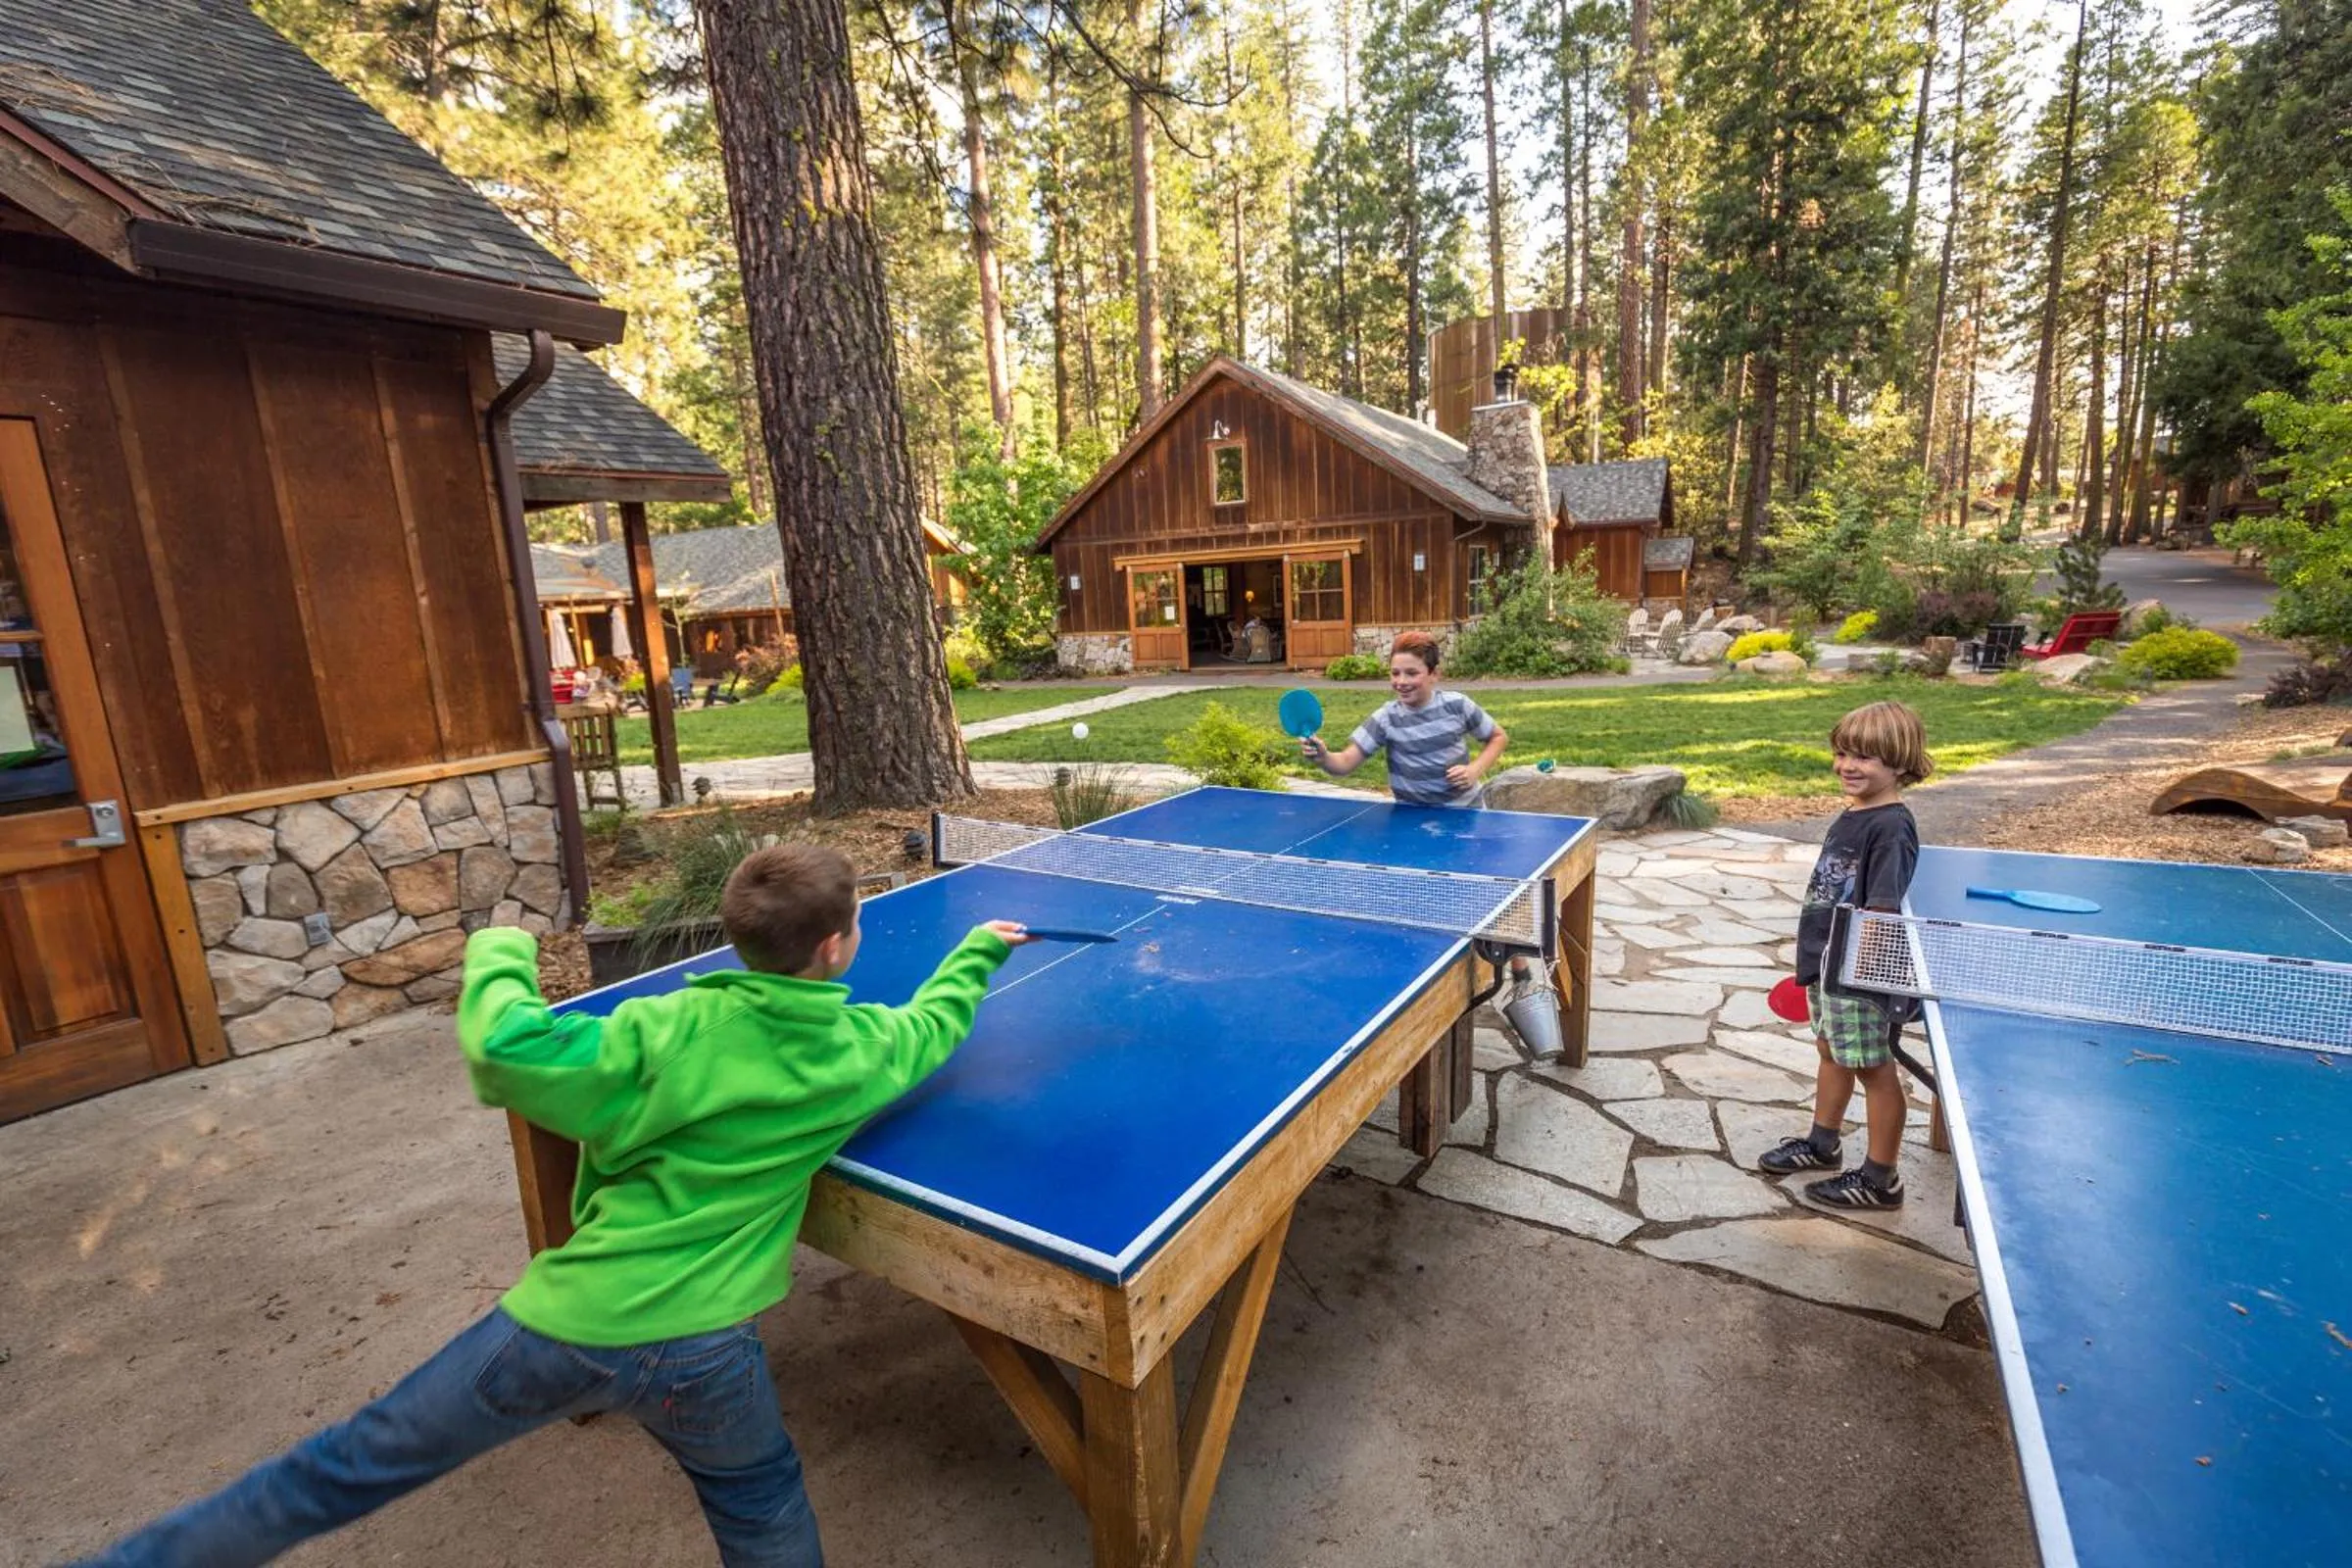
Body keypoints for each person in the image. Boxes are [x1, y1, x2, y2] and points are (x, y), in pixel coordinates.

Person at [74, 844, 1032, 1568]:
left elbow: (504, 1051)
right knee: (760, 1497)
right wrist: (975, 956)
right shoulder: (859, 1052)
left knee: (344, 1465)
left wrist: (499, 948)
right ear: (836, 945)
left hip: (561, 1326)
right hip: (703, 1352)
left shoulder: (656, 1032)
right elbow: (929, 1029)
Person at [1756, 700, 1933, 1209]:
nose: (1848, 766)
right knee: (1831, 1051)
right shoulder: (1857, 810)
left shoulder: (1891, 827)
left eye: (1866, 758)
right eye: (1842, 753)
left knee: (1874, 1067)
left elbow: (1880, 911)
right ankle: (1822, 1142)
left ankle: (1881, 1179)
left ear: (1900, 763)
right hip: (1828, 962)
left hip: (1856, 972)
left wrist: (1858, 974)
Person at [1297, 629, 1507, 808]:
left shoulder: (1457, 705)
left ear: (1434, 674)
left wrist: (1474, 769)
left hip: (1465, 811)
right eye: (1395, 673)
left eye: (1411, 673)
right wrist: (1324, 758)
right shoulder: (1386, 718)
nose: (1401, 681)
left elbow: (1498, 737)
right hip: (1411, 817)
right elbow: (1344, 764)